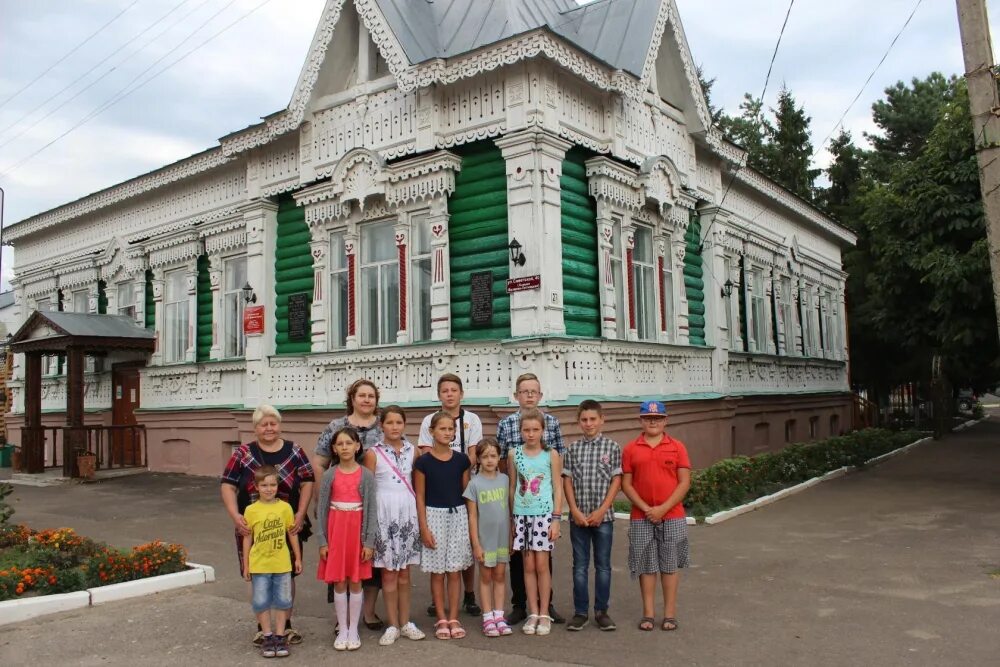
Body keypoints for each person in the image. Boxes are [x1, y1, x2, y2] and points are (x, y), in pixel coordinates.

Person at [221, 404, 314, 646]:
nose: (269, 428)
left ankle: (286, 627)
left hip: (288, 525)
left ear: (279, 425)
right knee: (256, 573)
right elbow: (227, 485)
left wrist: (300, 514)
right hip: (252, 527)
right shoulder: (242, 454)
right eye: (264, 424)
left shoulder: (294, 451)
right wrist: (236, 517)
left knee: (287, 574)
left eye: (273, 423)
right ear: (255, 428)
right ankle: (262, 628)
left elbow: (307, 481)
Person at [314, 378, 385, 631]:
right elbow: (320, 461)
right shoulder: (337, 426)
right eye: (361, 395)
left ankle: (369, 612)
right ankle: (341, 618)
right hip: (340, 502)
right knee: (340, 560)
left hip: (376, 502)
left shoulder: (383, 427)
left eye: (371, 396)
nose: (366, 400)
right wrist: (323, 498)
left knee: (370, 560)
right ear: (352, 399)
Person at [495, 372, 565, 625]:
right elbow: (503, 462)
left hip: (543, 507)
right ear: (517, 395)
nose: (529, 395)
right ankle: (521, 605)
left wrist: (557, 515)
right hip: (521, 505)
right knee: (520, 559)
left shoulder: (552, 423)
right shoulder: (506, 424)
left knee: (544, 560)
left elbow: (557, 466)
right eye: (524, 391)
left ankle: (547, 606)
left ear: (540, 394)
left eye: (533, 391)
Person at [621, 400, 691, 632]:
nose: (653, 422)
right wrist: (646, 508)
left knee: (669, 565)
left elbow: (684, 483)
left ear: (665, 420)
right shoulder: (631, 448)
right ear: (641, 420)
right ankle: (648, 614)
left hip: (672, 514)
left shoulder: (677, 446)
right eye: (648, 418)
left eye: (658, 418)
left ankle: (669, 614)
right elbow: (627, 484)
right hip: (642, 516)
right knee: (647, 564)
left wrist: (663, 508)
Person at [419, 373, 483, 618]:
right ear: (439, 395)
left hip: (464, 481)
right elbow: (426, 452)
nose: (449, 394)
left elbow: (473, 452)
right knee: (438, 547)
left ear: (461, 394)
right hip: (438, 484)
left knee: (463, 545)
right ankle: (438, 602)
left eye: (453, 390)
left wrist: (458, 469)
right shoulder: (429, 420)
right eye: (444, 390)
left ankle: (469, 594)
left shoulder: (472, 419)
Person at [362, 406, 426, 645]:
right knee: (388, 573)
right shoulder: (373, 453)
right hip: (384, 516)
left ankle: (406, 621)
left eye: (399, 422)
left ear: (404, 424)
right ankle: (392, 624)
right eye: (390, 423)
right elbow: (368, 491)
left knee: (404, 572)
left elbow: (418, 486)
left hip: (406, 515)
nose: (395, 427)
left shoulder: (413, 451)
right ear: (382, 426)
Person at [316, 427, 379, 651]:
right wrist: (323, 541)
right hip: (336, 533)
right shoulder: (329, 475)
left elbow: (372, 511)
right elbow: (322, 509)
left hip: (357, 534)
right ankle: (342, 628)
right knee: (339, 581)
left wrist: (369, 542)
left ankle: (354, 629)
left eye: (348, 443)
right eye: (340, 444)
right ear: (334, 448)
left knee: (355, 581)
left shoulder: (366, 475)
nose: (344, 447)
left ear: (357, 446)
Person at [562, 399, 622, 632]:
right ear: (579, 422)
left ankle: (601, 611)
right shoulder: (573, 449)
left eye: (593, 419)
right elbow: (567, 480)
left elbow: (616, 481)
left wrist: (602, 510)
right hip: (578, 519)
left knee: (603, 566)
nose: (588, 424)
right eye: (584, 420)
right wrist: (574, 510)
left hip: (603, 518)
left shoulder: (612, 447)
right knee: (580, 566)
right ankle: (580, 612)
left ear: (601, 420)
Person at [414, 411, 474, 640]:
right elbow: (419, 496)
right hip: (433, 516)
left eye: (451, 429)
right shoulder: (423, 462)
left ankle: (454, 616)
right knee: (438, 573)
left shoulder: (461, 460)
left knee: (455, 570)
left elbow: (466, 493)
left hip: (457, 516)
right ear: (432, 432)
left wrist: (470, 522)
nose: (447, 433)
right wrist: (424, 527)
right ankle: (441, 617)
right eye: (442, 429)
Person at [508, 407, 562, 636]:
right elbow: (512, 487)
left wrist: (556, 519)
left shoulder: (550, 454)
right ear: (520, 431)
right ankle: (532, 612)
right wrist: (512, 519)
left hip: (543, 516)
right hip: (522, 516)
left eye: (535, 429)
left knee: (542, 565)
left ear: (543, 430)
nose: (531, 434)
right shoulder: (513, 454)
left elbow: (558, 487)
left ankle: (544, 612)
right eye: (526, 430)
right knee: (527, 566)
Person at [242, 465, 303, 658]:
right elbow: (247, 538)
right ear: (256, 487)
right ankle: (267, 636)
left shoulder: (285, 508)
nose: (269, 489)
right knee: (261, 601)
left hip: (282, 564)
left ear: (278, 486)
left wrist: (298, 557)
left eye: (272, 485)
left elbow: (291, 534)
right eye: (264, 485)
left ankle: (280, 635)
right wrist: (246, 564)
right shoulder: (251, 510)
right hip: (259, 564)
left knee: (284, 601)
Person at [463, 438, 513, 637]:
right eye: (485, 456)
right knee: (485, 577)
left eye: (493, 456)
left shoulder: (505, 480)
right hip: (485, 540)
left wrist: (511, 537)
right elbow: (473, 516)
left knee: (500, 576)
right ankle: (487, 617)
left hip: (501, 538)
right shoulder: (474, 484)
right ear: (478, 459)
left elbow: (509, 511)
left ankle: (499, 616)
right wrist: (476, 544)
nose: (490, 460)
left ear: (499, 456)